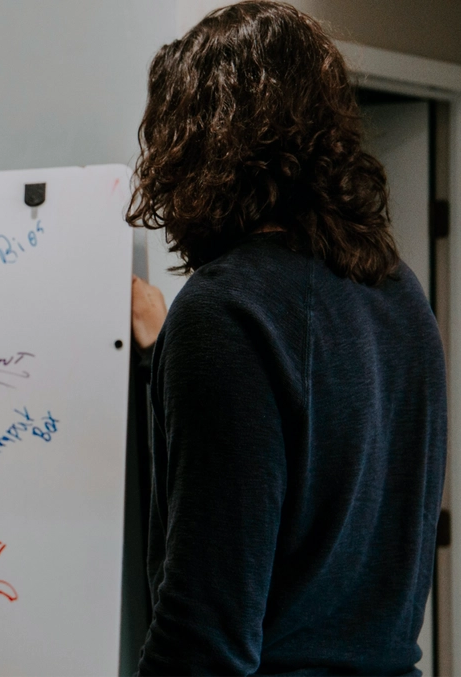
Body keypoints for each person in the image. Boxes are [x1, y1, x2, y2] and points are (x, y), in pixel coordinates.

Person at [127, 3, 446, 675]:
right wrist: (166, 358)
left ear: (196, 144)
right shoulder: (401, 294)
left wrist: (194, 343)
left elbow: (203, 639)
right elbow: (319, 440)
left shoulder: (225, 312)